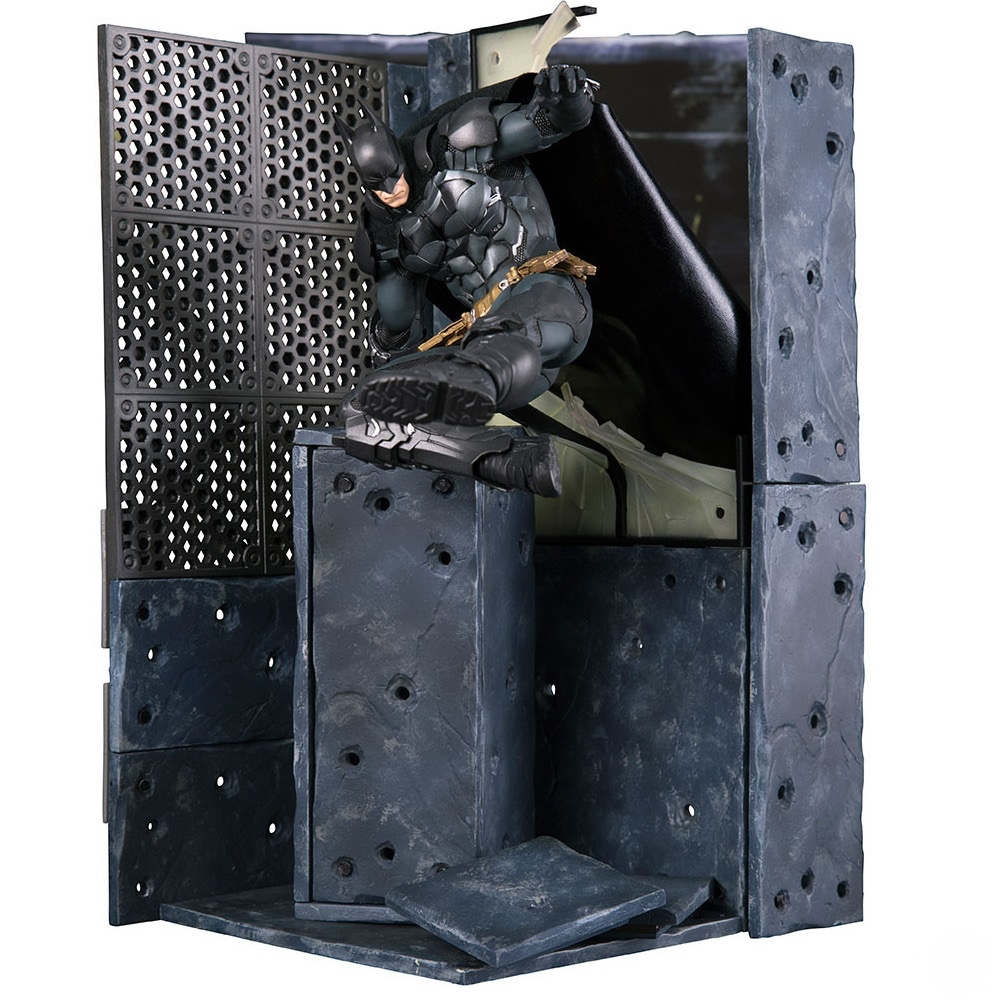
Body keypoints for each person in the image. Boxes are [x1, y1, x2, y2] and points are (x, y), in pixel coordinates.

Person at [337, 65, 596, 496]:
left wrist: (566, 99)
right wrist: (386, 337)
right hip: (487, 345)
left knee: (502, 334)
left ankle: (468, 387)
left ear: (400, 157)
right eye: (377, 184)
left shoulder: (454, 146)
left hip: (545, 295)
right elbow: (397, 323)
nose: (391, 188)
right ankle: (504, 461)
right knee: (363, 406)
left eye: (393, 174)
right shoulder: (384, 235)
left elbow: (544, 125)